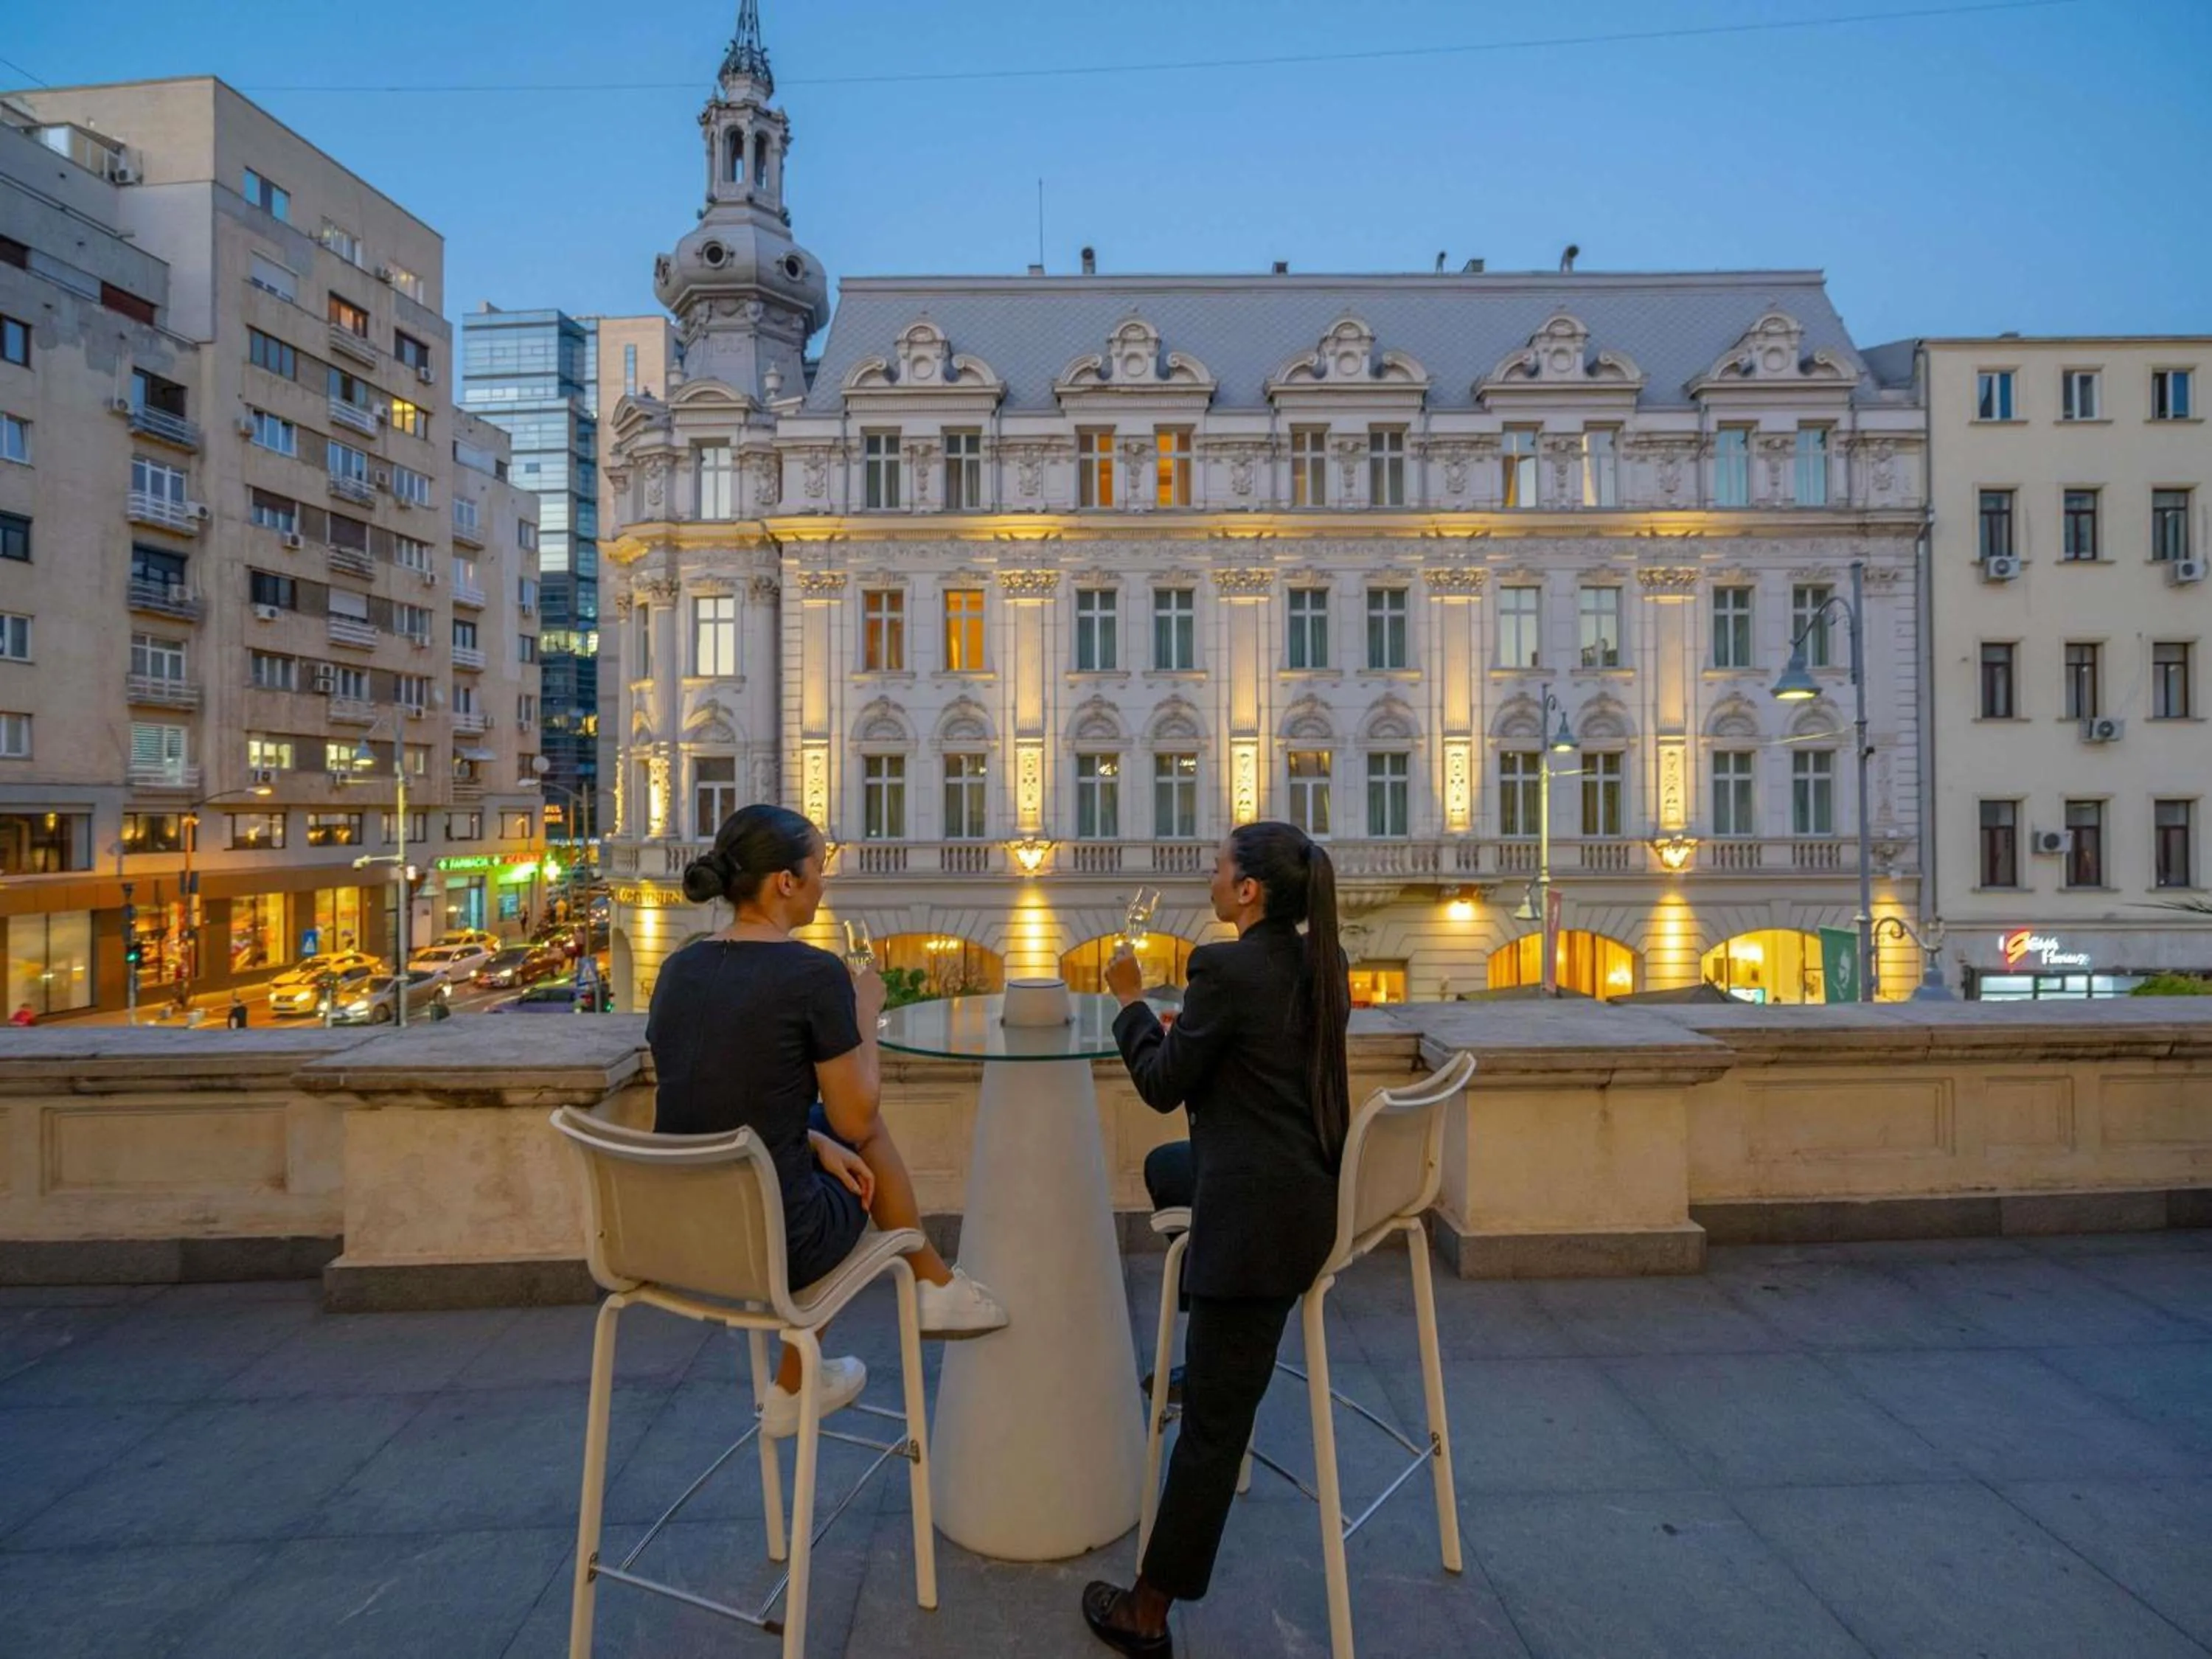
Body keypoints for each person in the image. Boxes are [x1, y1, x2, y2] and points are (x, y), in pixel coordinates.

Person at [647, 802, 1008, 1439]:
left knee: (826, 1132)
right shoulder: (812, 973)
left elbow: (715, 1100)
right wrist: (864, 1008)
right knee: (864, 1136)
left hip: (679, 1235)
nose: (824, 881)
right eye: (819, 867)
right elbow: (859, 1113)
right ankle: (933, 1287)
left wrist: (811, 1139)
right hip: (780, 1237)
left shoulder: (679, 967)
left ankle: (806, 1375)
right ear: (786, 882)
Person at [1082, 821, 1351, 1658]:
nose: (1211, 870)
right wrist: (1186, 1028)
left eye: (1221, 864)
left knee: (1212, 1433)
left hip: (1264, 1226)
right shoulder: (1318, 961)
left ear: (1248, 893)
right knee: (1171, 1168)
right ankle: (1204, 1337)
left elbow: (1163, 1085)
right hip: (1298, 1181)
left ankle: (1147, 1613)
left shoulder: (1224, 968)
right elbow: (1234, 1060)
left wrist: (1130, 1004)